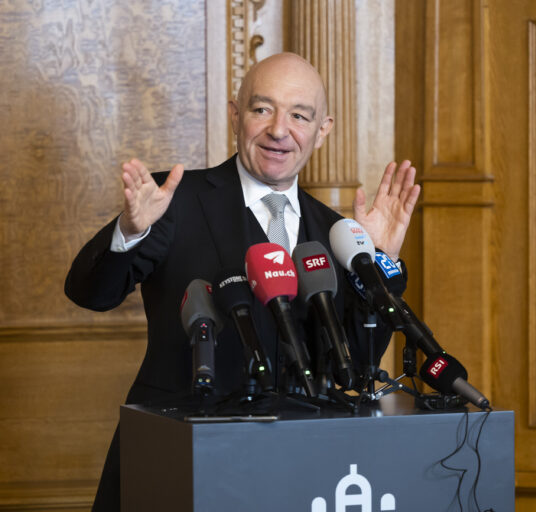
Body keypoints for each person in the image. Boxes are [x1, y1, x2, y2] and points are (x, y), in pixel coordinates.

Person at [65, 52, 420, 511]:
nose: (278, 129)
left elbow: (353, 362)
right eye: (261, 109)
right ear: (235, 114)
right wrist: (131, 233)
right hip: (175, 457)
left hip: (297, 471)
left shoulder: (337, 233)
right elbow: (90, 293)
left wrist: (378, 262)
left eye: (299, 115)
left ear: (322, 129)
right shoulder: (171, 202)